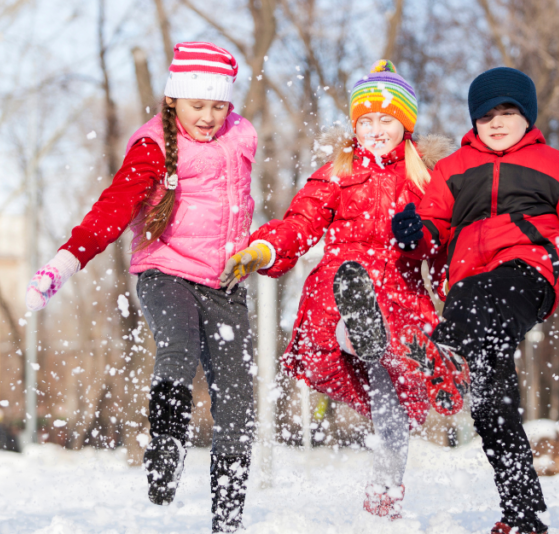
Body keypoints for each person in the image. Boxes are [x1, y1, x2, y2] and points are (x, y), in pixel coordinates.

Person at [221, 60, 470, 521]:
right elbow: (301, 223)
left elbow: (440, 246)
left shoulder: (425, 179)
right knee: (350, 320)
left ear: (405, 124)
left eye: (386, 120)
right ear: (355, 125)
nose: (376, 129)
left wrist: (457, 289)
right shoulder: (337, 171)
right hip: (342, 286)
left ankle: (385, 496)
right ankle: (353, 333)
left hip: (399, 294)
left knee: (390, 403)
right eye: (366, 121)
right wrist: (262, 250)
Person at [25, 42, 257, 533]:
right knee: (179, 347)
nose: (210, 117)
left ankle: (228, 521)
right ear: (173, 100)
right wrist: (66, 262)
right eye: (198, 105)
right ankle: (166, 444)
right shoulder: (154, 145)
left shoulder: (243, 136)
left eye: (219, 105)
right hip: (164, 272)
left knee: (237, 400)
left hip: (224, 281)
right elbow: (113, 208)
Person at [391, 67, 559, 534]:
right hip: (466, 281)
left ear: (526, 117)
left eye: (508, 112)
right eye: (487, 114)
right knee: (492, 401)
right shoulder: (453, 169)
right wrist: (415, 234)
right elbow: (434, 227)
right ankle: (523, 513)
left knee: (486, 298)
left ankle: (447, 354)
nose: (496, 122)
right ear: (474, 120)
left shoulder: (556, 165)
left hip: (527, 272)